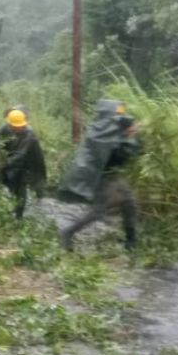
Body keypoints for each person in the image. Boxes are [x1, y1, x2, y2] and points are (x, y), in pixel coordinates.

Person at [59, 100, 141, 251]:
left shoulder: (106, 131)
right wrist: (128, 137)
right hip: (103, 177)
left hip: (114, 175)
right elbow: (119, 155)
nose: (119, 119)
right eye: (117, 115)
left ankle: (131, 243)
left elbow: (127, 152)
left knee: (129, 205)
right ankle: (68, 232)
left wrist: (129, 136)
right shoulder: (102, 133)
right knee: (99, 211)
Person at [0, 109, 46, 220]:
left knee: (21, 188)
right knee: (11, 184)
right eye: (14, 126)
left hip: (29, 164)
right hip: (13, 161)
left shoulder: (29, 135)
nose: (17, 128)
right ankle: (13, 208)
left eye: (19, 126)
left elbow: (20, 154)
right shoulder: (5, 129)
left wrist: (3, 163)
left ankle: (19, 216)